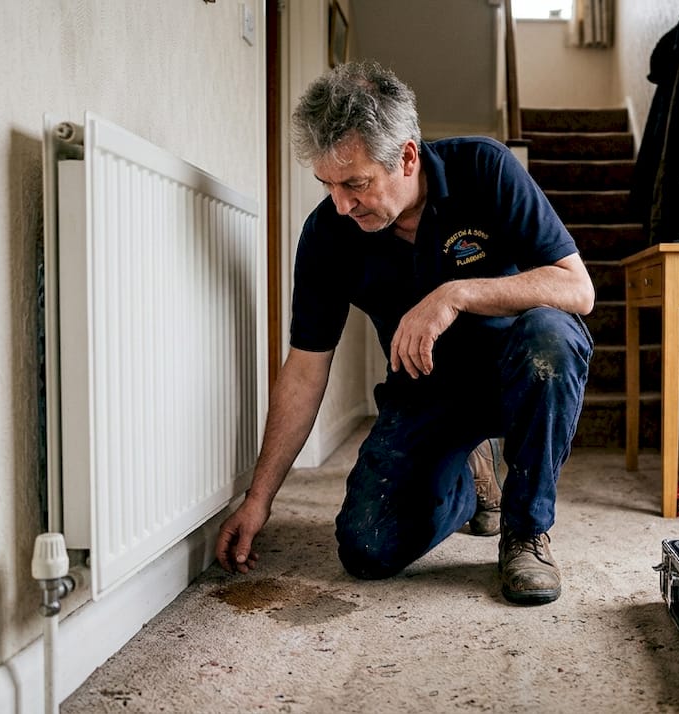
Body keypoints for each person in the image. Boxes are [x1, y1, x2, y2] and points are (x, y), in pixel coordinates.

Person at [214, 60, 594, 605]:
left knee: (551, 339)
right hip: (426, 392)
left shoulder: (484, 167)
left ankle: (526, 530)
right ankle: (468, 478)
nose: (341, 204)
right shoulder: (328, 233)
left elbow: (577, 290)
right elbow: (304, 369)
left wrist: (455, 294)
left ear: (408, 157)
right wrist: (259, 498)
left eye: (355, 183)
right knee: (366, 550)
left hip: (518, 375)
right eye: (328, 185)